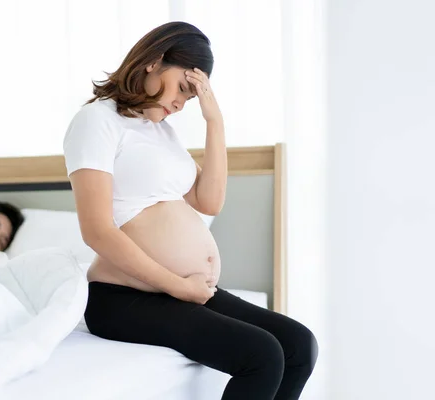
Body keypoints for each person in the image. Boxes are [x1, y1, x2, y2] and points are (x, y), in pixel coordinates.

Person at [63, 21, 318, 399]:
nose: (181, 103)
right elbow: (97, 231)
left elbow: (208, 200)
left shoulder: (159, 130)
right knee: (262, 355)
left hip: (178, 290)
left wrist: (214, 120)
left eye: (191, 97)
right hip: (122, 296)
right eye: (183, 88)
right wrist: (180, 286)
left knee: (299, 345)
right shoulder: (98, 120)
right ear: (154, 61)